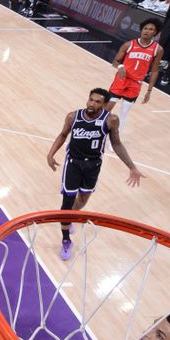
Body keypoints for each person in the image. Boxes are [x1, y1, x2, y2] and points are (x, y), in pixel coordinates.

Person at [46, 88, 144, 260]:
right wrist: (50, 153)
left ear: (105, 105)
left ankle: (71, 217)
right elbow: (62, 135)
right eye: (91, 100)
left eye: (97, 102)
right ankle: (66, 240)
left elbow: (117, 144)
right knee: (66, 202)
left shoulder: (111, 120)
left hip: (93, 166)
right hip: (73, 163)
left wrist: (132, 167)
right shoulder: (73, 116)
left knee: (82, 200)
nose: (92, 103)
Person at [105, 18, 163, 131]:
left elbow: (155, 71)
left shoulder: (158, 49)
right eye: (145, 28)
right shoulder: (129, 44)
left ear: (155, 33)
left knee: (124, 113)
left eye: (151, 29)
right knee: (107, 109)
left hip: (135, 84)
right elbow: (115, 61)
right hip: (121, 80)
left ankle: (115, 139)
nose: (147, 31)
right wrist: (121, 67)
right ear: (141, 30)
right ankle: (98, 131)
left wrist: (149, 91)